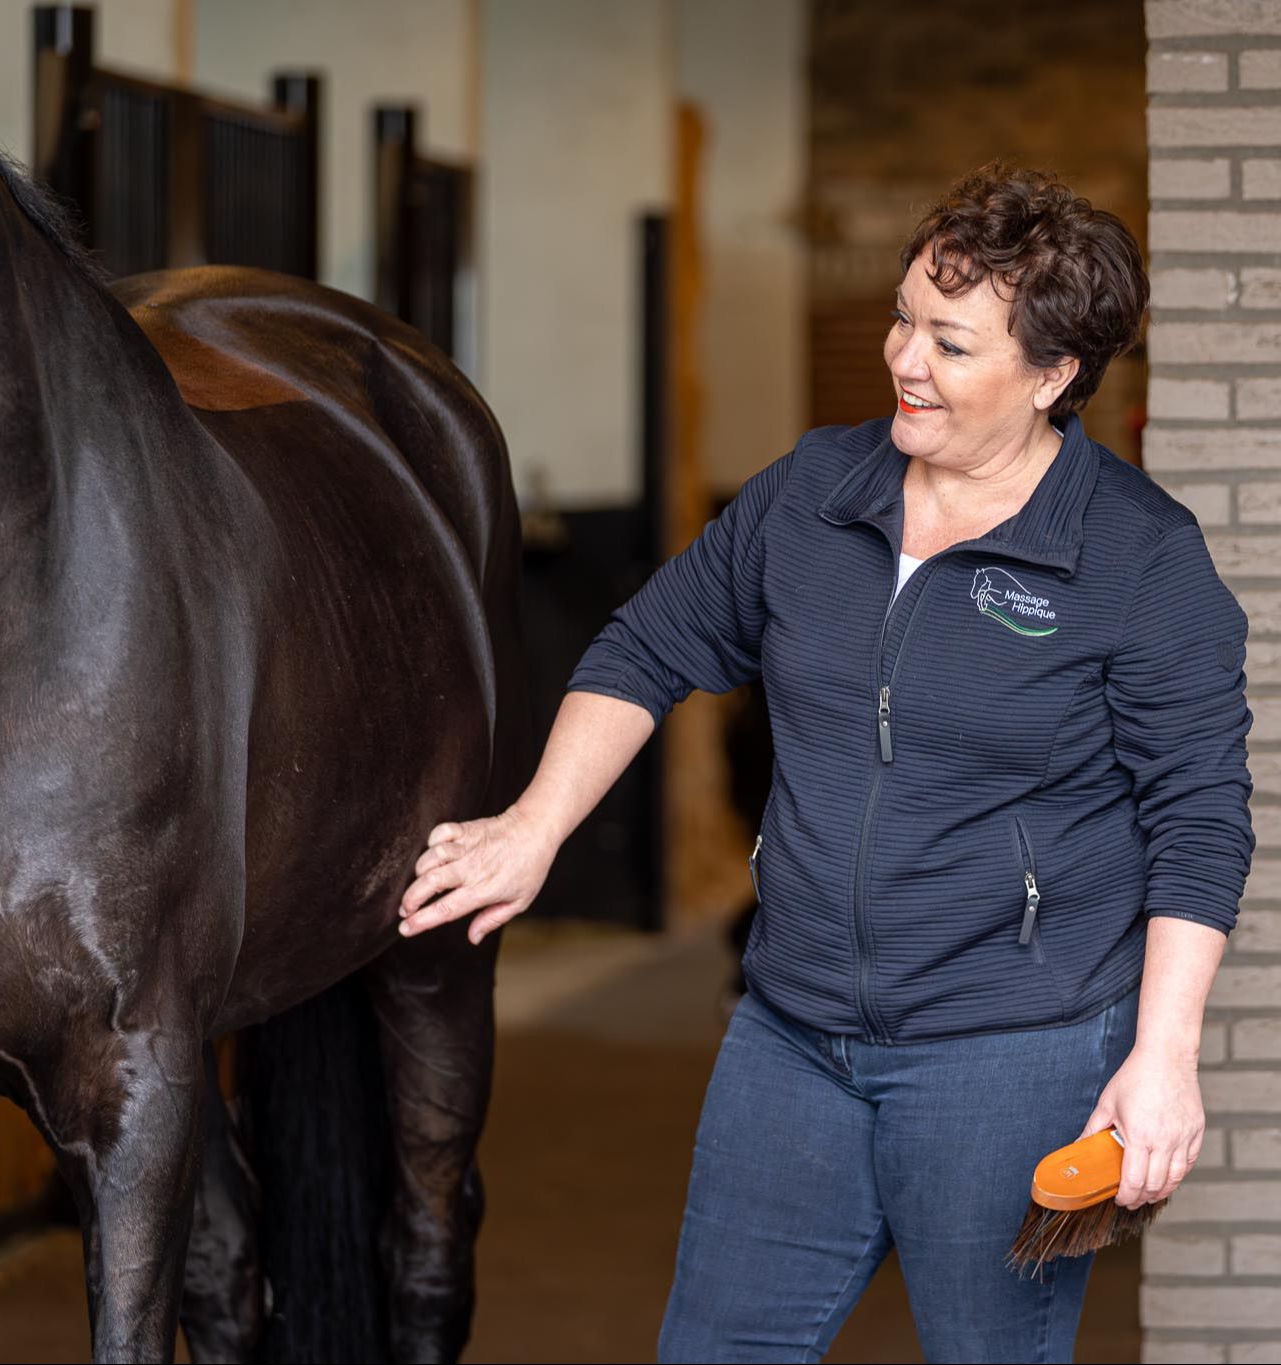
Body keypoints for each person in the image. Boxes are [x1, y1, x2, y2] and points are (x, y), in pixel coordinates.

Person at [398, 165, 1254, 1364]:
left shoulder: (1137, 561)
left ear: (1054, 377)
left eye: (952, 344)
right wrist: (535, 824)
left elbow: (1200, 820)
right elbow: (645, 645)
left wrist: (1162, 1060)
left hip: (1007, 1055)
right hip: (789, 1038)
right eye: (905, 317)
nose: (906, 359)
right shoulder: (814, 493)